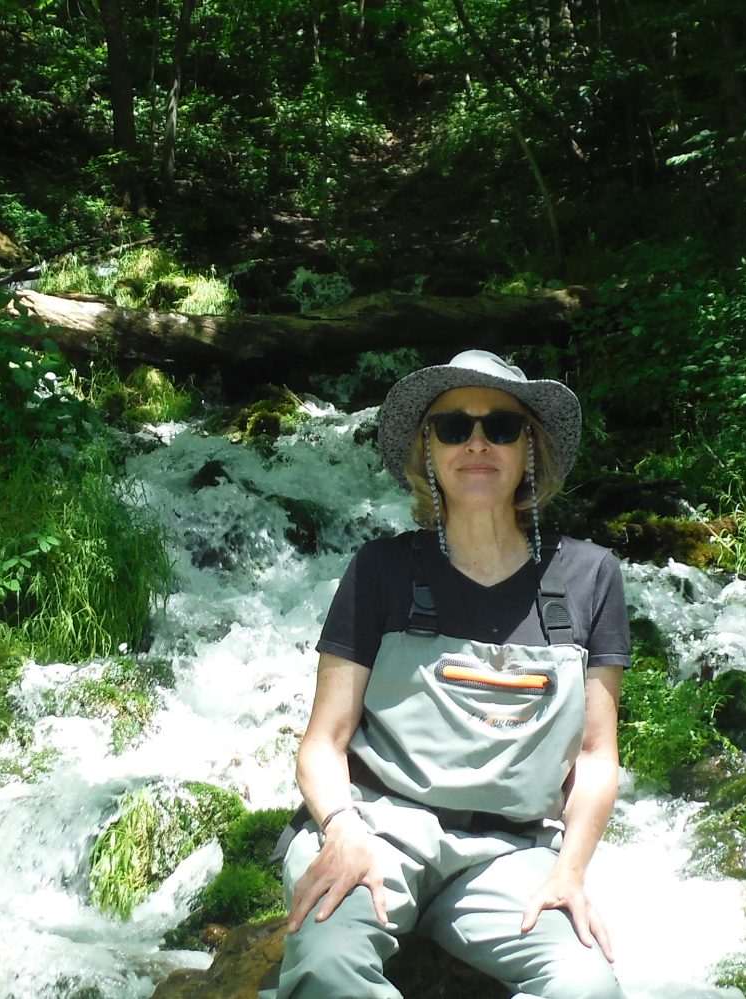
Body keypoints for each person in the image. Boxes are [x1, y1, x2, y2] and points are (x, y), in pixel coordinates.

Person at [265, 349, 630, 999]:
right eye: (454, 427)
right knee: (325, 969)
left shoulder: (590, 576)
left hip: (511, 854)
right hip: (376, 830)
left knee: (587, 988)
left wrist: (571, 868)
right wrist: (342, 829)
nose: (478, 442)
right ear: (427, 450)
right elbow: (322, 742)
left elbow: (598, 758)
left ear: (531, 449)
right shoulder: (380, 569)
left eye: (502, 426)